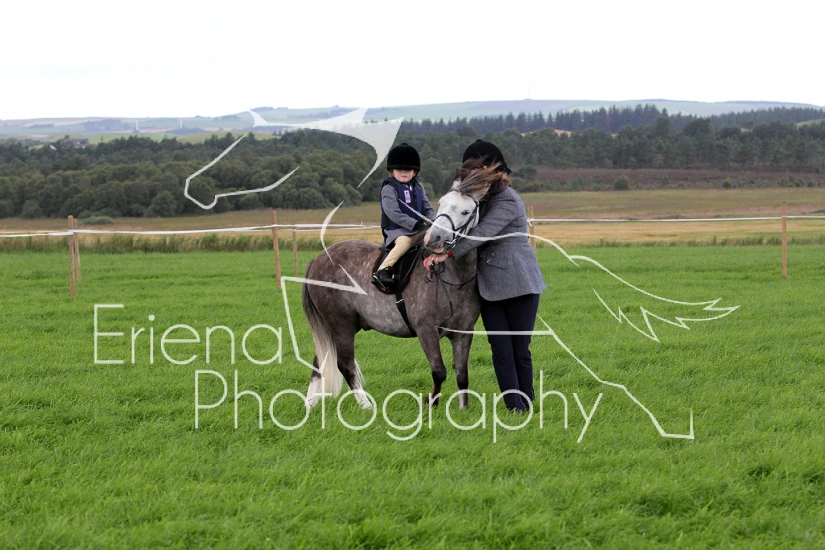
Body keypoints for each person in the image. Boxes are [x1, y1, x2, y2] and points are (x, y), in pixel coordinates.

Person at [425, 139, 546, 411]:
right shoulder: (476, 200)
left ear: (493, 171)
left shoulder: (507, 199)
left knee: (519, 350)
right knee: (500, 349)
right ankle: (514, 407)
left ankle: (525, 402)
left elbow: (482, 233)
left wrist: (447, 254)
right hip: (489, 286)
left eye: (478, 171)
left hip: (519, 282)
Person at [372, 143, 435, 292]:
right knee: (405, 242)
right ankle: (383, 270)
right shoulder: (389, 188)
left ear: (415, 171)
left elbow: (427, 208)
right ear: (391, 170)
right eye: (399, 169)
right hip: (397, 230)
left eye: (408, 169)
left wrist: (434, 223)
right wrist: (415, 224)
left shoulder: (418, 187)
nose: (403, 172)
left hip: (418, 229)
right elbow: (393, 213)